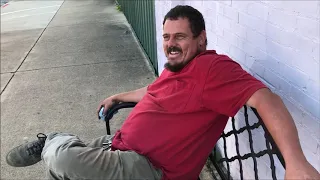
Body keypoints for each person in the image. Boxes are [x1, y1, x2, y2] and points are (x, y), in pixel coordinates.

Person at [6, 5, 319, 180]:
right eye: (167, 36)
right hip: (119, 145)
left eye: (180, 36)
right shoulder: (177, 69)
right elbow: (152, 91)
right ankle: (58, 143)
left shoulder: (214, 69)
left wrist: (296, 162)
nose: (170, 43)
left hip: (150, 167)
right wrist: (119, 96)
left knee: (62, 162)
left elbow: (265, 98)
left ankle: (52, 141)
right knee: (70, 166)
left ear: (201, 39)